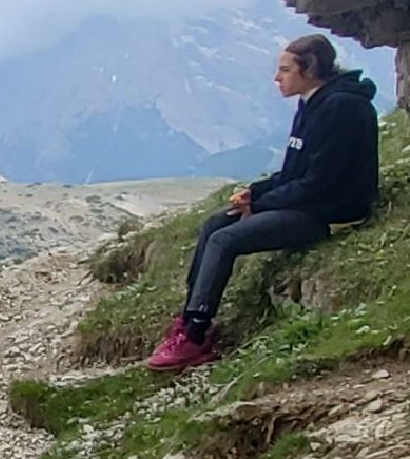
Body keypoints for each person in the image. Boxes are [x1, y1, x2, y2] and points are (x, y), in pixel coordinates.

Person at [147, 32, 379, 370]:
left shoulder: (340, 108)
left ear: (309, 70)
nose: (277, 78)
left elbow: (319, 183)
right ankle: (189, 317)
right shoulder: (313, 102)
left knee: (225, 240)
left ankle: (195, 336)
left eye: (285, 70)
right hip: (308, 202)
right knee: (215, 224)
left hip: (333, 212)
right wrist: (254, 193)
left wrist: (261, 206)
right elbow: (293, 172)